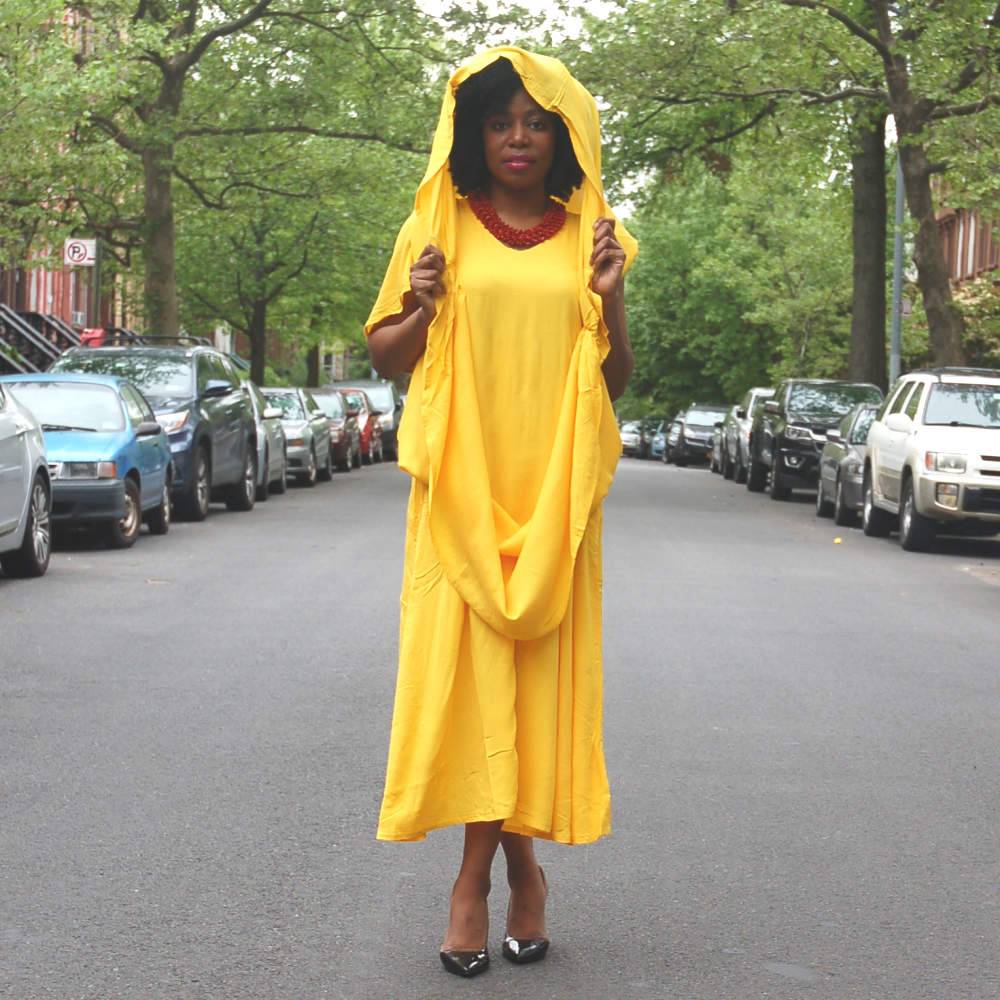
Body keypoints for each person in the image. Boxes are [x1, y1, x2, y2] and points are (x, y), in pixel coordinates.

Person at [365, 47, 637, 978]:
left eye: (535, 121)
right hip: (461, 494)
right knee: (475, 683)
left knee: (528, 691)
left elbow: (616, 380)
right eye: (498, 121)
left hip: (554, 493)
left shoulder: (592, 234)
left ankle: (482, 883)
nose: (517, 136)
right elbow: (389, 357)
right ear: (473, 134)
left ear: (563, 136)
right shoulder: (434, 226)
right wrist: (422, 303)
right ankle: (499, 877)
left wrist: (612, 301)